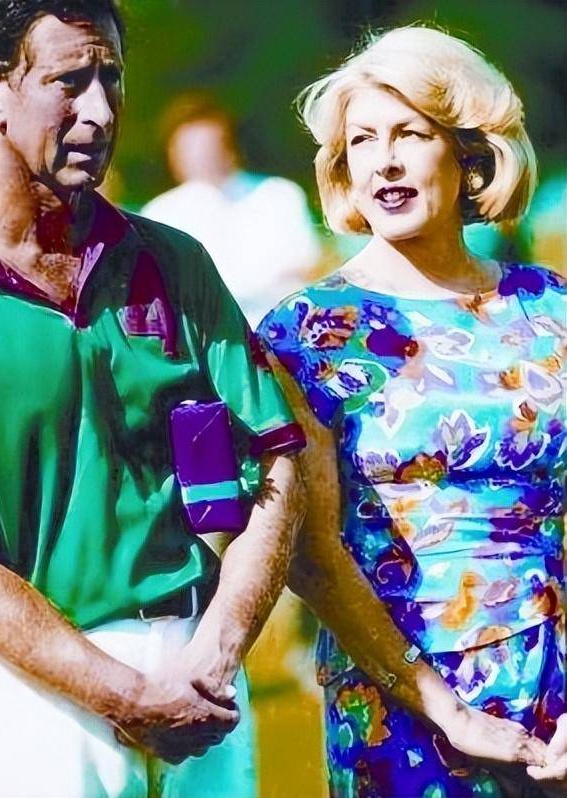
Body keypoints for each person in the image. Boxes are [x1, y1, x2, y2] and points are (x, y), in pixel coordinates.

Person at [0, 2, 306, 797]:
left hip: (201, 681)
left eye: (111, 77)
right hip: (19, 695)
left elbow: (277, 461)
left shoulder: (174, 261)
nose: (102, 111)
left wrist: (218, 648)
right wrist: (123, 695)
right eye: (69, 81)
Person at [257, 26, 566, 797]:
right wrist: (447, 711)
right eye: (362, 141)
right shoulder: (305, 334)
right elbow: (310, 554)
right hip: (400, 705)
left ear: (468, 154)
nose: (384, 161)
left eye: (409, 134)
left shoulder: (552, 307)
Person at [141, 94, 323, 328]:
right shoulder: (160, 213)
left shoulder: (278, 195)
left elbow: (304, 268)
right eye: (190, 150)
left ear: (230, 146)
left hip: (280, 328)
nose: (202, 158)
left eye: (209, 147)